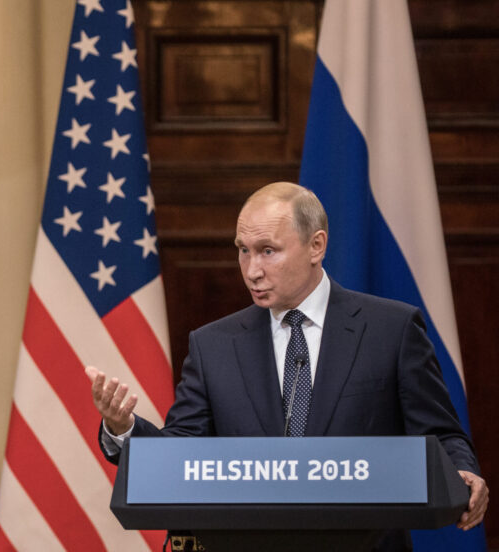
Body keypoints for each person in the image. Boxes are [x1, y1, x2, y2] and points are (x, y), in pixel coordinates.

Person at [87, 182, 488, 547]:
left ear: (316, 246)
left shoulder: (392, 329)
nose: (252, 270)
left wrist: (463, 471)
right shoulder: (213, 345)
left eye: (267, 251)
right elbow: (181, 457)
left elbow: (440, 432)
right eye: (243, 250)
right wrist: (124, 429)